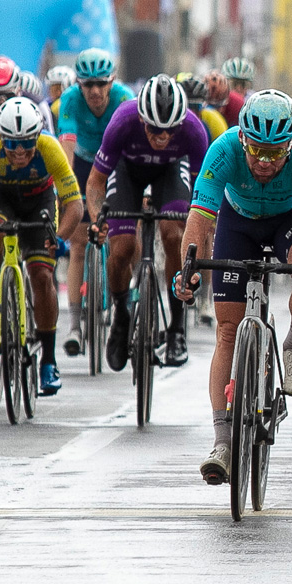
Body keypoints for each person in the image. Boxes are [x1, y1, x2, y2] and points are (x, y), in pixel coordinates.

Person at [176, 90, 292, 485]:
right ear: (243, 139)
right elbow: (198, 219)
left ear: (291, 145)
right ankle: (223, 441)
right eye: (257, 151)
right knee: (227, 331)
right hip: (238, 222)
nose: (264, 163)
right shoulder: (223, 149)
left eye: (275, 153)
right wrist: (188, 269)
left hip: (289, 222)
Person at [0, 98, 84, 395]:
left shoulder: (50, 148)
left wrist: (61, 239)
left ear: (37, 136)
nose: (20, 151)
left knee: (41, 275)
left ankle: (49, 362)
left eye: (27, 143)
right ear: (0, 138)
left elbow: (74, 205)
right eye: (12, 144)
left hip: (38, 202)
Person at [86, 74, 208, 370]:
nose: (162, 136)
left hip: (170, 173)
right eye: (154, 129)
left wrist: (199, 234)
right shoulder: (122, 121)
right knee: (123, 248)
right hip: (128, 172)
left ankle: (177, 329)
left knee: (172, 233)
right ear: (142, 120)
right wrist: (97, 219)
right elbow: (95, 183)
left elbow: (204, 194)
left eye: (169, 130)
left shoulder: (193, 130)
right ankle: (121, 315)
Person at [55, 48, 136, 357]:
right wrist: (68, 191)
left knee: (124, 235)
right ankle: (75, 324)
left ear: (112, 82)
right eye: (88, 84)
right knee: (78, 244)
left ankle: (125, 296)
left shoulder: (124, 97)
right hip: (84, 162)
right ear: (79, 84)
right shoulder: (71, 100)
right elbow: (67, 148)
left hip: (117, 164)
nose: (95, 91)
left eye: (101, 84)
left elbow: (131, 148)